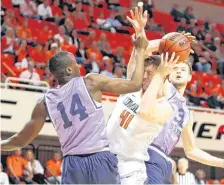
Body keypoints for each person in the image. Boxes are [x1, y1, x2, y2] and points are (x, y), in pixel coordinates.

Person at [0, 32, 148, 184]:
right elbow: (135, 84)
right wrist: (141, 50)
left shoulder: (45, 102)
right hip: (100, 158)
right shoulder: (90, 82)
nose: (79, 65)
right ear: (69, 70)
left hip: (73, 164)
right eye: (75, 63)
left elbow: (20, 141)